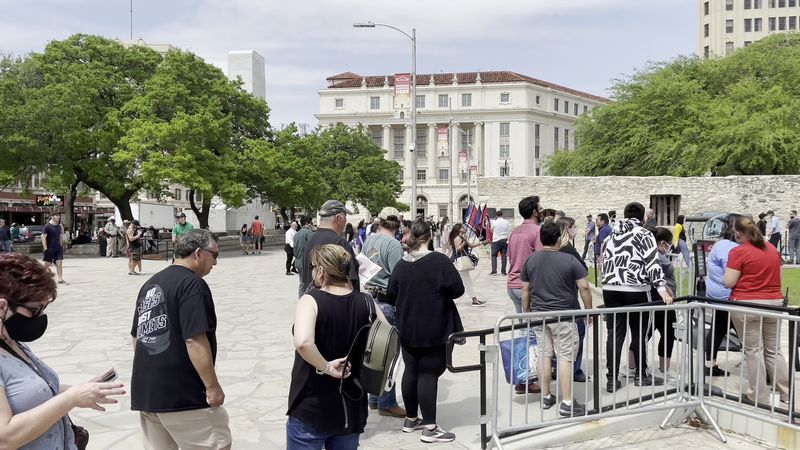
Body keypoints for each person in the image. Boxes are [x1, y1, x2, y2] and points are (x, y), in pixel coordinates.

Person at [0, 252, 125, 449]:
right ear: (2, 307)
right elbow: (4, 438)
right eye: (35, 310)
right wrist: (70, 399)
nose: (41, 316)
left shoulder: (10, 340)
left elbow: (30, 390)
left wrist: (81, 390)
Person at [130, 229, 231, 450]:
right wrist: (212, 386)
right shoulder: (192, 285)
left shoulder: (150, 284)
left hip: (147, 394)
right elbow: (194, 340)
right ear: (198, 253)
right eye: (214, 255)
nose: (215, 263)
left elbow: (138, 338)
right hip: (183, 395)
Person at [287, 244, 385, 449]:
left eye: (312, 267)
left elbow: (303, 342)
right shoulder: (366, 301)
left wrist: (327, 367)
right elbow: (387, 335)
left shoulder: (311, 300)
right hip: (351, 403)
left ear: (321, 270)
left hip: (312, 403)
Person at [387, 220, 465, 443]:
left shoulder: (402, 264)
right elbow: (457, 289)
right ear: (430, 236)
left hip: (408, 327)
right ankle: (430, 427)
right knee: (428, 373)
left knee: (411, 370)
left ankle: (411, 418)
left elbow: (391, 293)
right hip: (434, 327)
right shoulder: (438, 261)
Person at [521, 220, 592, 417]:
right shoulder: (569, 260)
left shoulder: (531, 260)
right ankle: (567, 402)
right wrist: (588, 310)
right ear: (559, 240)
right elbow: (584, 287)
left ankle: (546, 396)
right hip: (564, 315)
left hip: (539, 314)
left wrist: (526, 313)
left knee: (544, 355)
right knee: (565, 357)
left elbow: (525, 290)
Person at [602, 202, 671, 392]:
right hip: (636, 289)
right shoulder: (644, 234)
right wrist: (661, 287)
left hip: (611, 287)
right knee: (639, 333)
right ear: (643, 218)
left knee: (614, 335)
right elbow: (652, 260)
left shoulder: (611, 235)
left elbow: (603, 259)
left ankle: (612, 378)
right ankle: (641, 374)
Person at [723, 216, 790, 406]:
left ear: (738, 233)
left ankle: (758, 395)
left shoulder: (739, 252)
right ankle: (785, 392)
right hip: (773, 302)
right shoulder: (771, 249)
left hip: (747, 303)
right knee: (773, 349)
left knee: (753, 351)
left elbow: (729, 282)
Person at [361, 207, 406, 418]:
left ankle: (373, 397)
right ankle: (386, 402)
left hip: (369, 298)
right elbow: (399, 278)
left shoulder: (370, 240)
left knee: (374, 351)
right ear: (397, 223)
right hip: (387, 302)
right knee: (390, 354)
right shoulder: (394, 245)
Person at [704, 213, 740, 377]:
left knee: (718, 329)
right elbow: (732, 274)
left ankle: (710, 365)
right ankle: (763, 370)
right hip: (728, 297)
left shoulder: (721, 244)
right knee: (746, 334)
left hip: (720, 296)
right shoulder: (728, 247)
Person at [300, 200, 360, 295]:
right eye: (345, 216)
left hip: (315, 300)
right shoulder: (339, 243)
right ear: (338, 218)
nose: (346, 220)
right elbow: (350, 282)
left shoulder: (311, 240)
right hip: (336, 304)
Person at [555, 217, 588, 383]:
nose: (576, 230)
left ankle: (559, 368)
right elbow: (583, 280)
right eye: (574, 227)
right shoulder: (569, 251)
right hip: (568, 299)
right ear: (567, 229)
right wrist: (588, 310)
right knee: (578, 334)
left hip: (554, 300)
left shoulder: (554, 249)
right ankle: (574, 370)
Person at [647, 227, 679, 382]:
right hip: (661, 299)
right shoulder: (656, 256)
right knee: (666, 333)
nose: (670, 247)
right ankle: (663, 369)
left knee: (648, 333)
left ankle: (634, 367)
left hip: (662, 299)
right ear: (662, 243)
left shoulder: (657, 255)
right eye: (668, 244)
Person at [448, 223, 486, 307]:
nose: (464, 228)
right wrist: (464, 242)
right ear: (459, 230)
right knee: (467, 281)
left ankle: (474, 299)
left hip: (457, 262)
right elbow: (458, 249)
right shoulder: (458, 238)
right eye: (462, 227)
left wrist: (482, 243)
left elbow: (470, 245)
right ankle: (474, 300)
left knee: (466, 281)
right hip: (458, 261)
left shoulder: (461, 237)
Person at [42, 214, 68, 285]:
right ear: (52, 216)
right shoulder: (47, 226)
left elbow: (60, 236)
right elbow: (43, 237)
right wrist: (45, 248)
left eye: (59, 216)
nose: (58, 217)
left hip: (58, 248)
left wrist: (61, 246)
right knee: (47, 265)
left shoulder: (59, 226)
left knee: (59, 263)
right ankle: (42, 278)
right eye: (57, 215)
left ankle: (60, 279)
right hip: (49, 248)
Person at [293, 217, 314, 298]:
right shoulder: (309, 233)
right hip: (306, 262)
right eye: (310, 223)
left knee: (302, 283)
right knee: (310, 284)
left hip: (298, 261)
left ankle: (301, 300)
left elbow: (294, 250)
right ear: (307, 223)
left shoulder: (296, 234)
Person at [489, 210, 510, 276]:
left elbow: (491, 230)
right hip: (504, 239)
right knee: (504, 256)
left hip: (496, 240)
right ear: (502, 215)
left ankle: (494, 271)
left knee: (494, 255)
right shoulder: (506, 222)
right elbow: (508, 229)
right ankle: (503, 272)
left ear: (496, 215)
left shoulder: (494, 222)